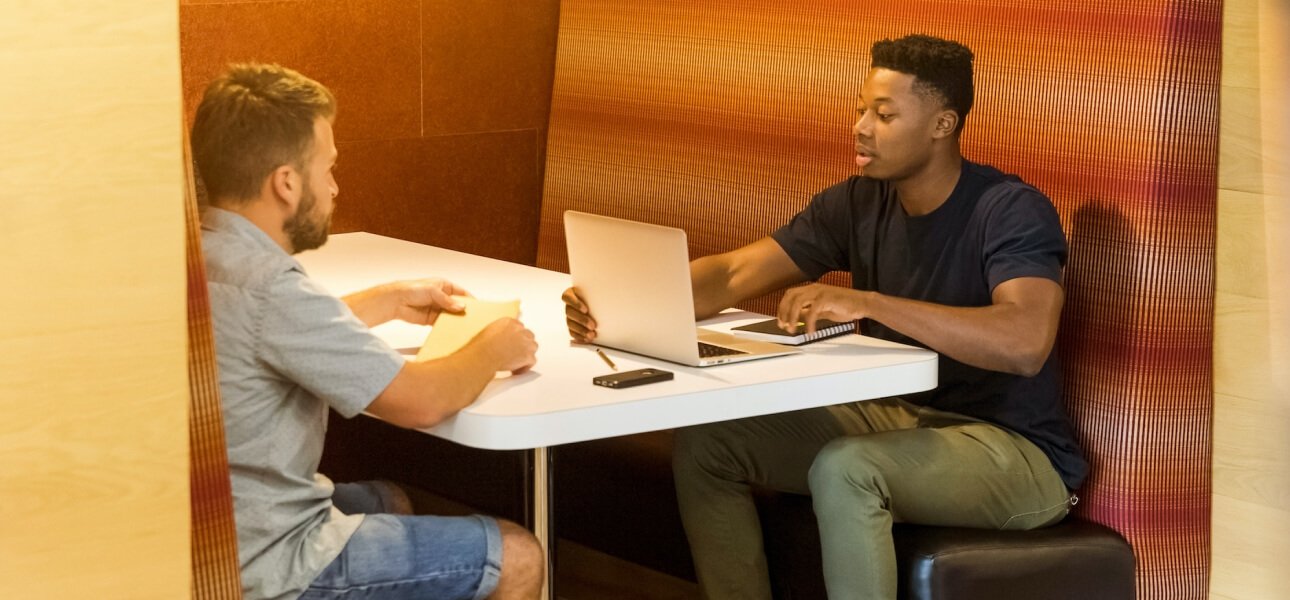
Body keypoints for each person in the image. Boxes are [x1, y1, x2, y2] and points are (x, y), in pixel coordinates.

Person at [561, 34, 1088, 599]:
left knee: (847, 468)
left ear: (942, 124)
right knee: (710, 446)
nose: (861, 127)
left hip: (1015, 451)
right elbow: (735, 274)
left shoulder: (1009, 210)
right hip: (901, 417)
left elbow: (1024, 341)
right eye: (861, 110)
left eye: (884, 114)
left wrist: (871, 303)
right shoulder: (859, 202)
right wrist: (620, 299)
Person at [193, 62, 544, 600]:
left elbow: (268, 333)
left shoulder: (202, 255)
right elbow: (420, 401)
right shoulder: (273, 286)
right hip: (268, 562)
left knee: (389, 500)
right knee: (517, 556)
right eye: (327, 169)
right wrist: (493, 345)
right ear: (286, 183)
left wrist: (385, 300)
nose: (334, 187)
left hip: (204, 537)